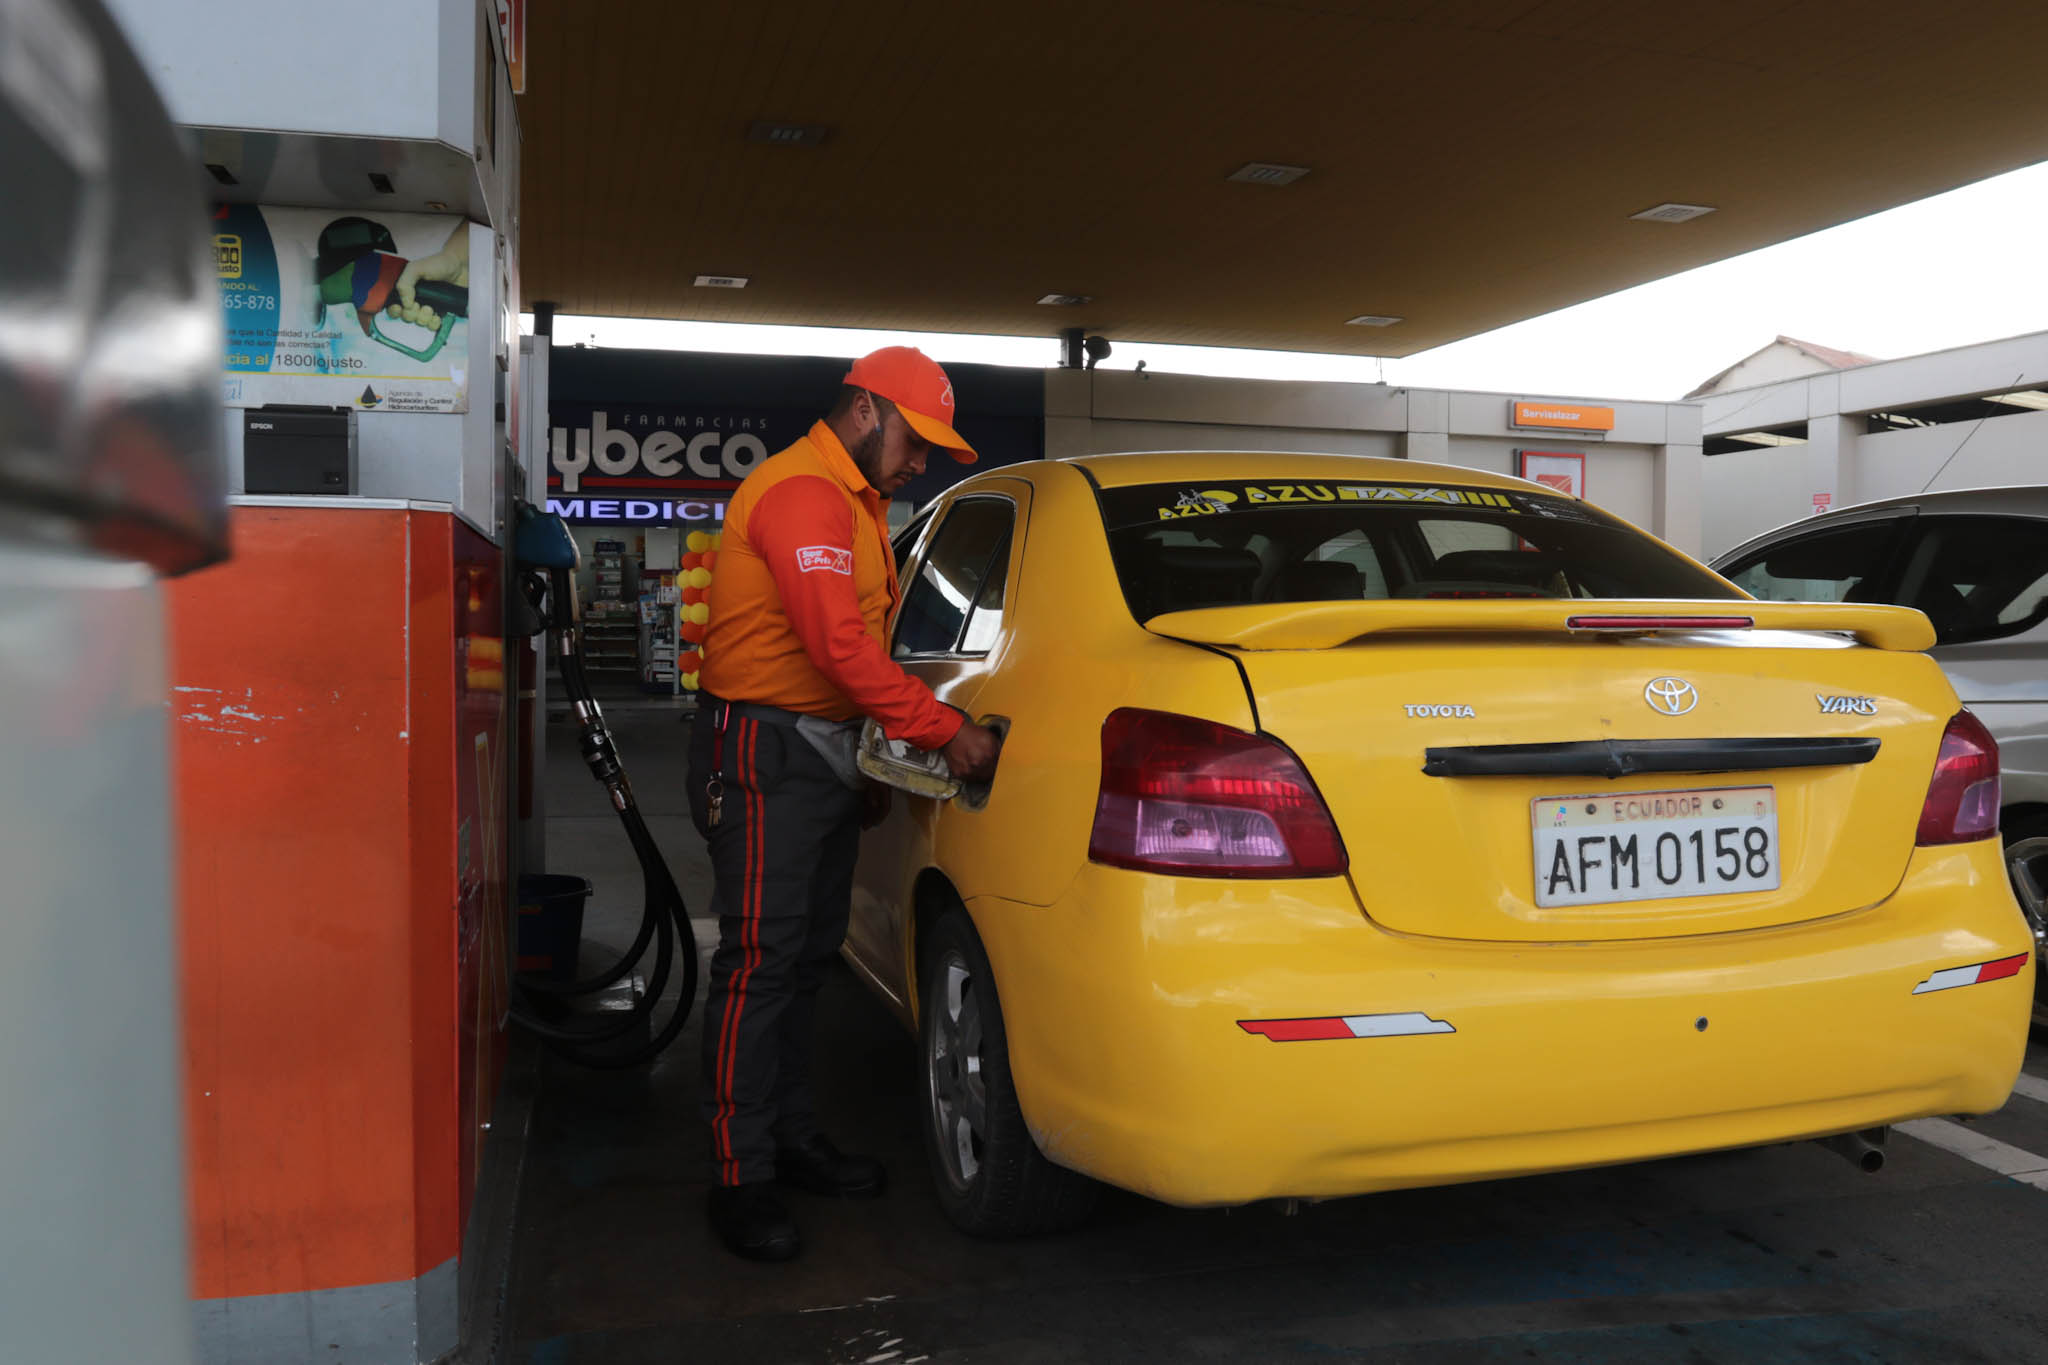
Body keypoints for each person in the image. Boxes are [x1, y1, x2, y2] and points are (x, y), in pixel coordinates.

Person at [689, 346, 1001, 1261]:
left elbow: (851, 653)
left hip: (814, 753)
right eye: (916, 440)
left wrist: (862, 763)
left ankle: (788, 1137)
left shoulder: (860, 506)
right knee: (759, 963)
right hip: (761, 752)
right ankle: (737, 1174)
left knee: (806, 959)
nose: (924, 462)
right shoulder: (801, 494)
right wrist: (946, 732)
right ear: (866, 409)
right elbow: (838, 647)